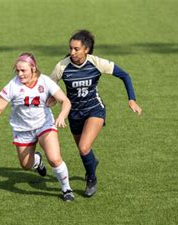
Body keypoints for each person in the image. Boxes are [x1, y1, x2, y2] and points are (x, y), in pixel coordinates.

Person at [50, 29, 142, 197]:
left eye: (76, 49)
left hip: (94, 109)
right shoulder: (62, 66)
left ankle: (91, 178)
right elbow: (50, 87)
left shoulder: (96, 62)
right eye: (70, 48)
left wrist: (132, 99)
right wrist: (52, 100)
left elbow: (125, 75)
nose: (72, 52)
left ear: (86, 49)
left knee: (84, 148)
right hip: (74, 114)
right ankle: (93, 162)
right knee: (83, 150)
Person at [0, 52, 75, 202]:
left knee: (55, 159)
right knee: (26, 165)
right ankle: (37, 161)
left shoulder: (45, 81)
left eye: (23, 70)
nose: (20, 74)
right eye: (17, 70)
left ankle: (66, 188)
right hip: (22, 130)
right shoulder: (12, 86)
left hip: (44, 125)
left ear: (33, 68)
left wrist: (62, 115)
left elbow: (65, 101)